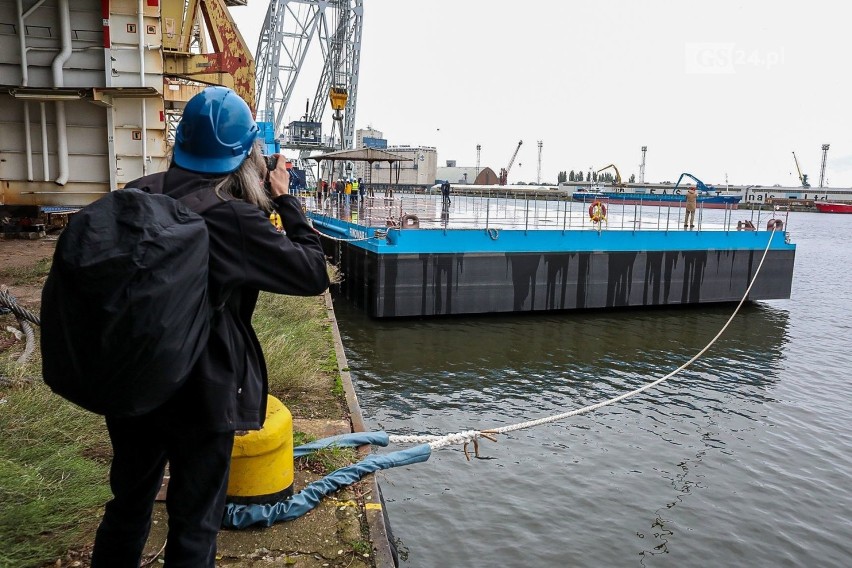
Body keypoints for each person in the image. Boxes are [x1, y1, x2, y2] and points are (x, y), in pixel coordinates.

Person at [90, 86, 329, 567]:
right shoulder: (232, 219)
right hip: (202, 390)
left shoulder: (138, 192)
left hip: (134, 380)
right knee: (195, 522)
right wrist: (284, 198)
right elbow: (312, 273)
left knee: (128, 504)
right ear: (247, 157)